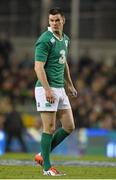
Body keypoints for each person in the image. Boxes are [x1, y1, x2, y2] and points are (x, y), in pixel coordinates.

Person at [34, 7, 77, 176]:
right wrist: (47, 90)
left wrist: (70, 84)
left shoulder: (65, 39)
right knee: (49, 128)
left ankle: (41, 155)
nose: (54, 23)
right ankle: (47, 168)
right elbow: (38, 67)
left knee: (69, 126)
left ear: (63, 21)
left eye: (57, 20)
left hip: (60, 88)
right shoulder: (45, 39)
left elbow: (63, 61)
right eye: (51, 20)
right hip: (46, 88)